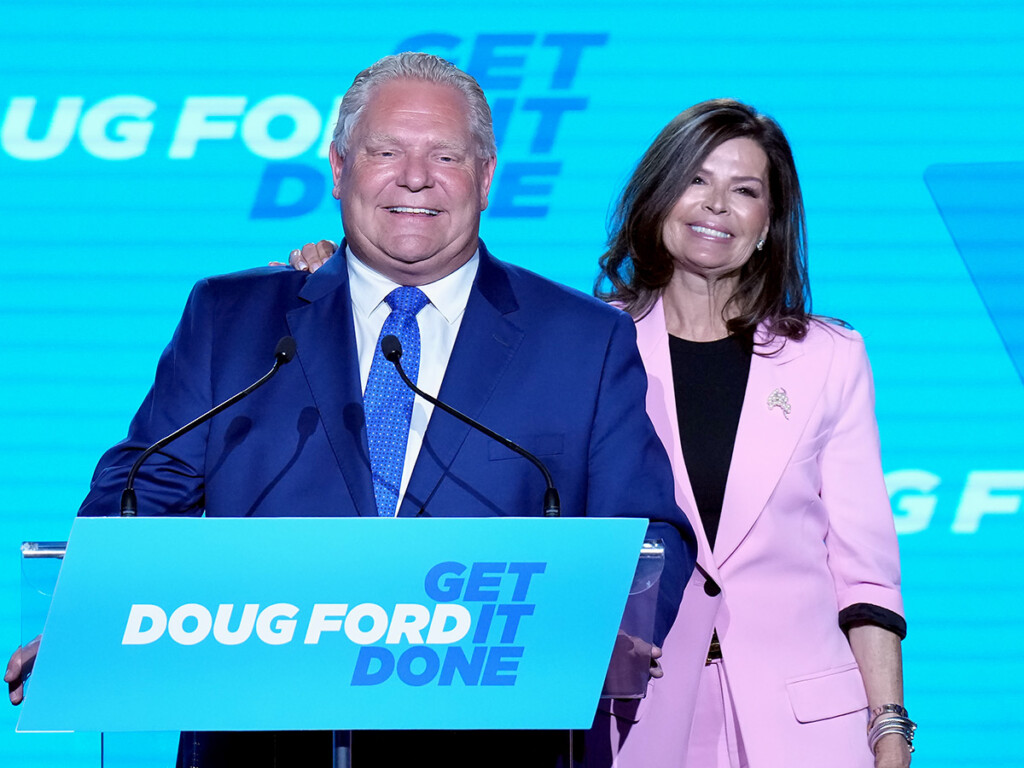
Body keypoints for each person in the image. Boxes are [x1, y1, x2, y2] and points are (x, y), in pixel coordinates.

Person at [5, 53, 696, 768]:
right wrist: (87, 617)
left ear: (486, 179)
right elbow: (144, 493)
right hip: (263, 743)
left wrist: (603, 631)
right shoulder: (232, 321)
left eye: (446, 155)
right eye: (385, 151)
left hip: (496, 743)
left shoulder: (580, 338)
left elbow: (651, 528)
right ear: (339, 169)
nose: (415, 177)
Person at [287, 99, 913, 768]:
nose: (717, 206)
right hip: (636, 716)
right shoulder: (584, 341)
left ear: (769, 223)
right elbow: (453, 320)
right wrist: (342, 280)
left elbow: (864, 572)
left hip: (805, 729)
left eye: (746, 191)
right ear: (659, 195)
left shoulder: (830, 358)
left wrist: (890, 729)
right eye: (697, 180)